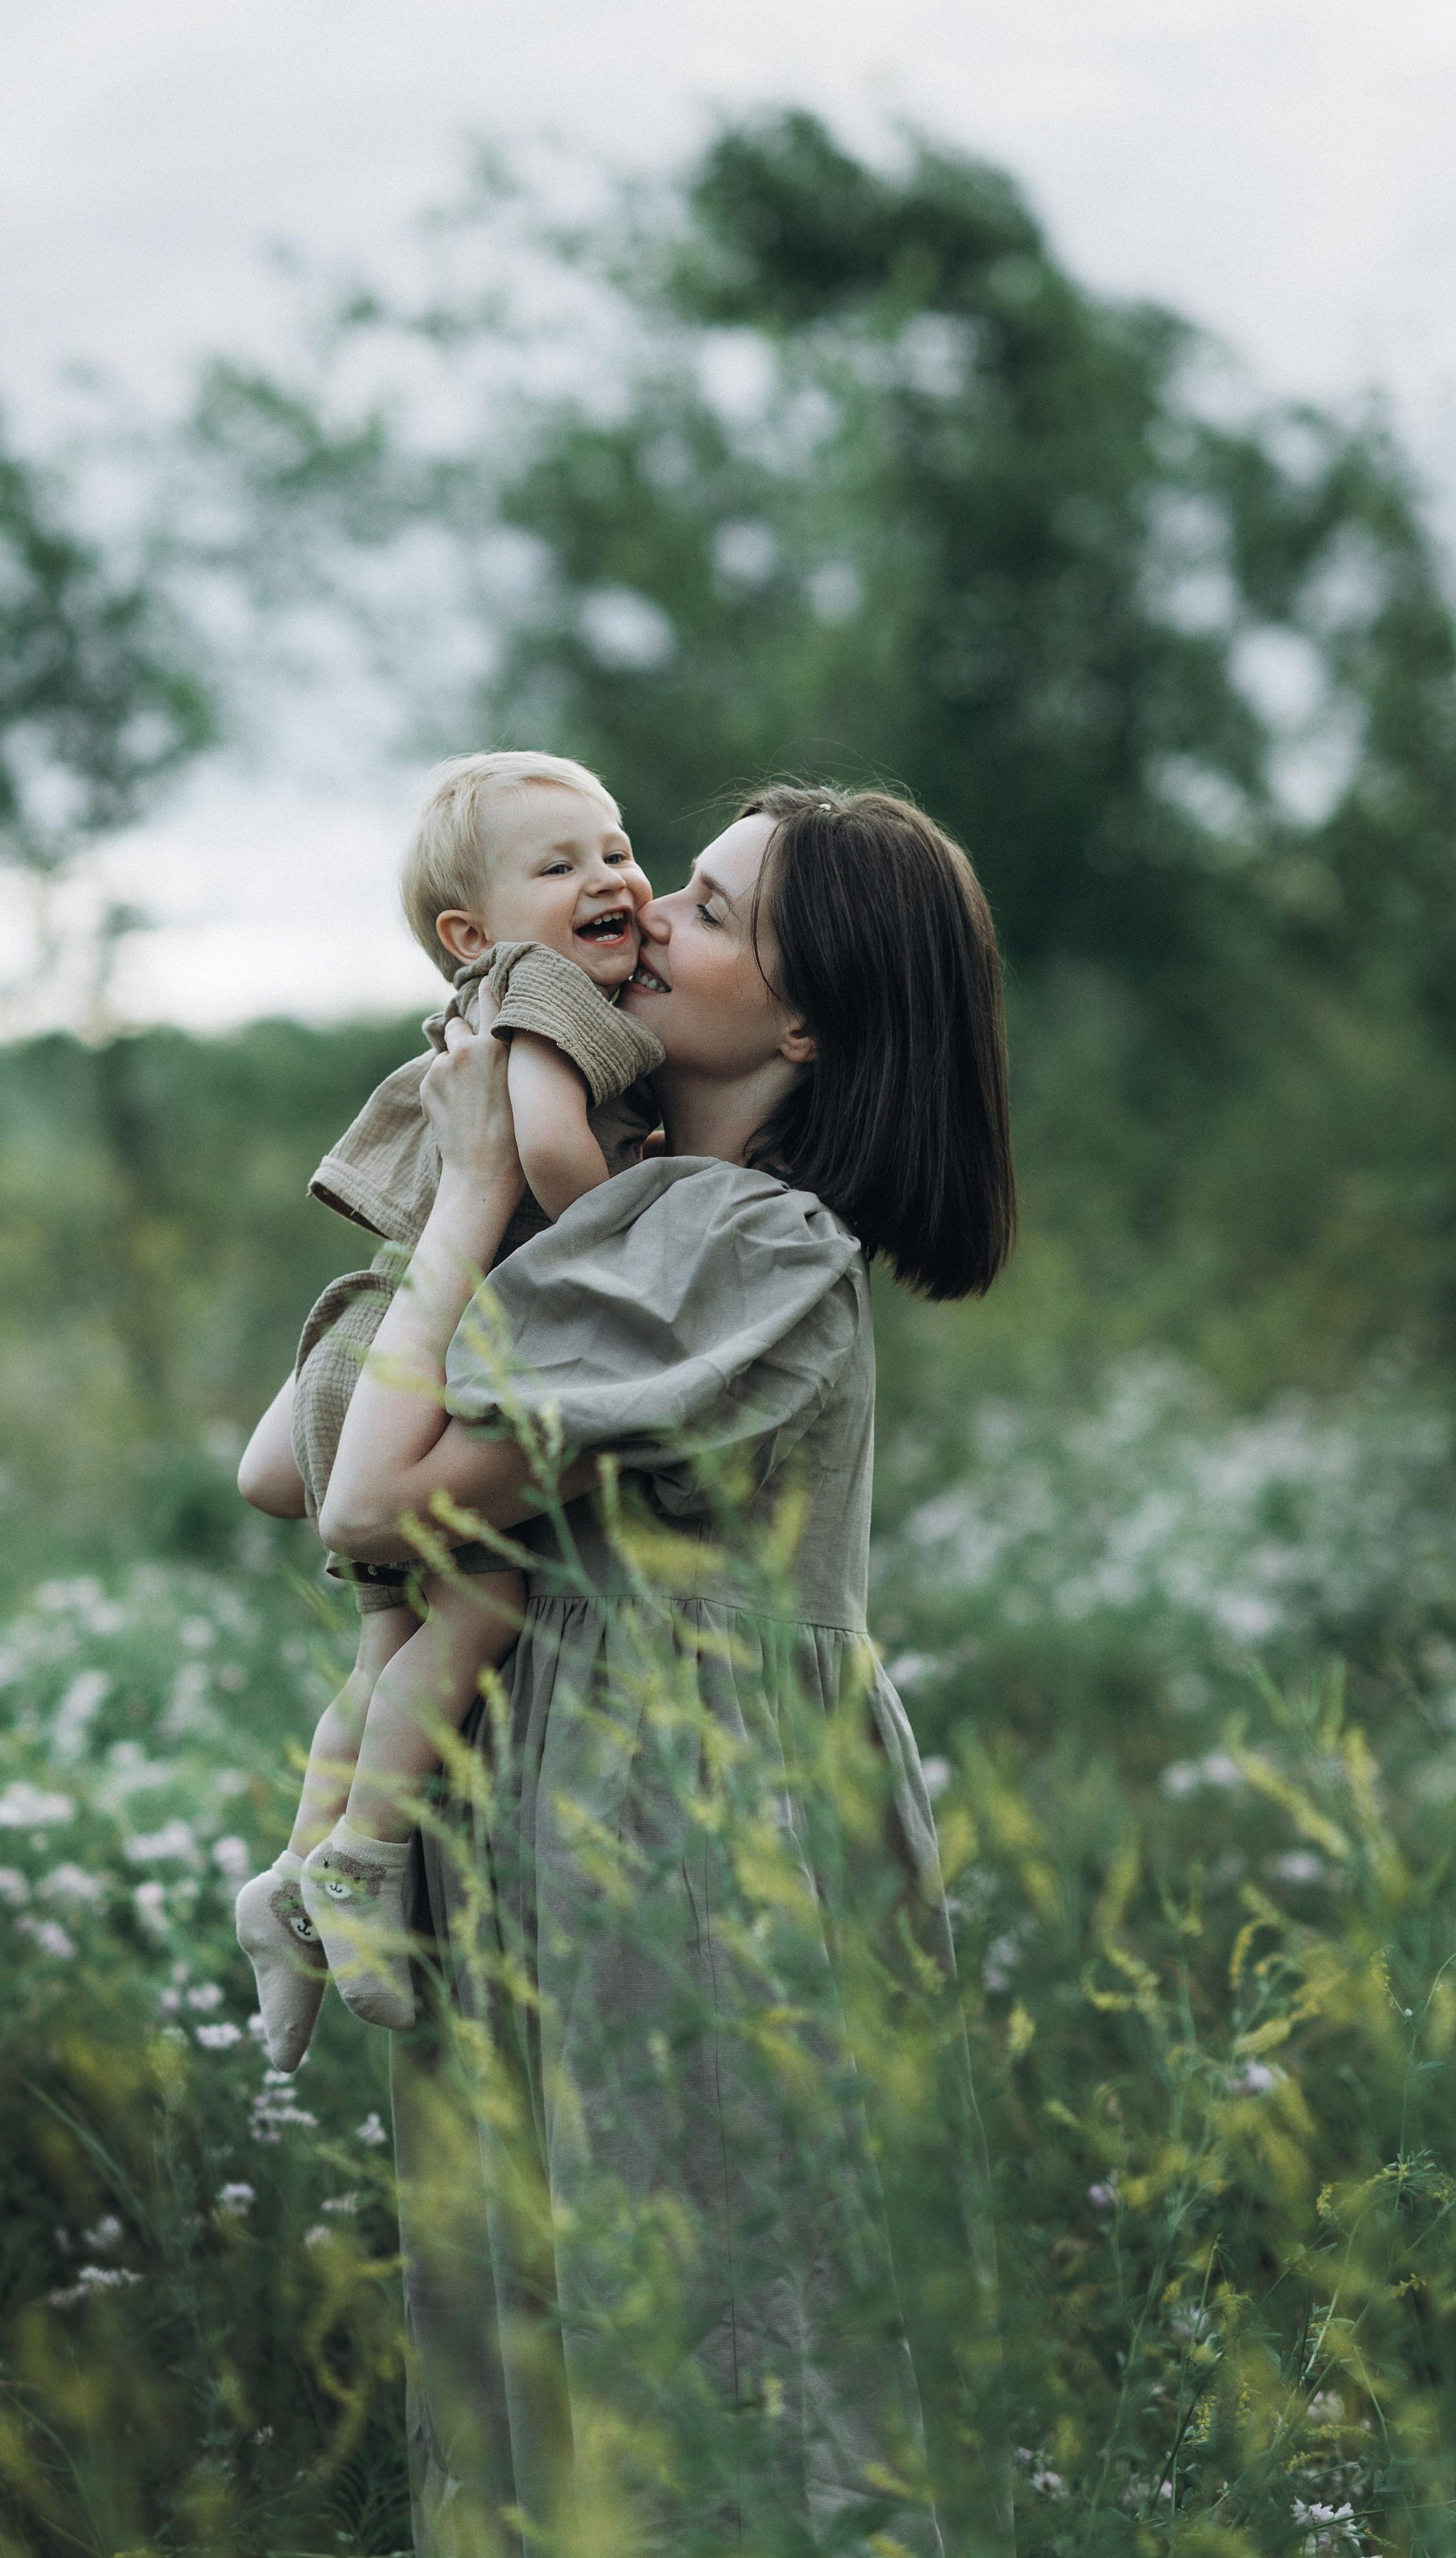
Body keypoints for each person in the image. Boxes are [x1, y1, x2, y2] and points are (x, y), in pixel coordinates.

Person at [317, 784, 1015, 2549]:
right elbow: (290, 1459)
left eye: (701, 906)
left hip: (693, 1838)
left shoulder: (747, 1247)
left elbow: (366, 1498)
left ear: (799, 1018)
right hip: (568, 1808)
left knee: (723, 2342)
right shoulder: (639, 1212)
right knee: (564, 2333)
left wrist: (476, 1192)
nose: (637, 918)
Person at [233, 750, 661, 2069]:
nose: (609, 879)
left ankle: (292, 1877)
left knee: (380, 1657)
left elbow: (263, 1475)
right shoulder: (538, 997)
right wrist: (632, 1216)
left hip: (365, 1347)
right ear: (467, 936)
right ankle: (362, 1855)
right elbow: (537, 1151)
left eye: (614, 845)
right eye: (559, 866)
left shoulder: (490, 996)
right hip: (430, 1366)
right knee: (478, 1606)